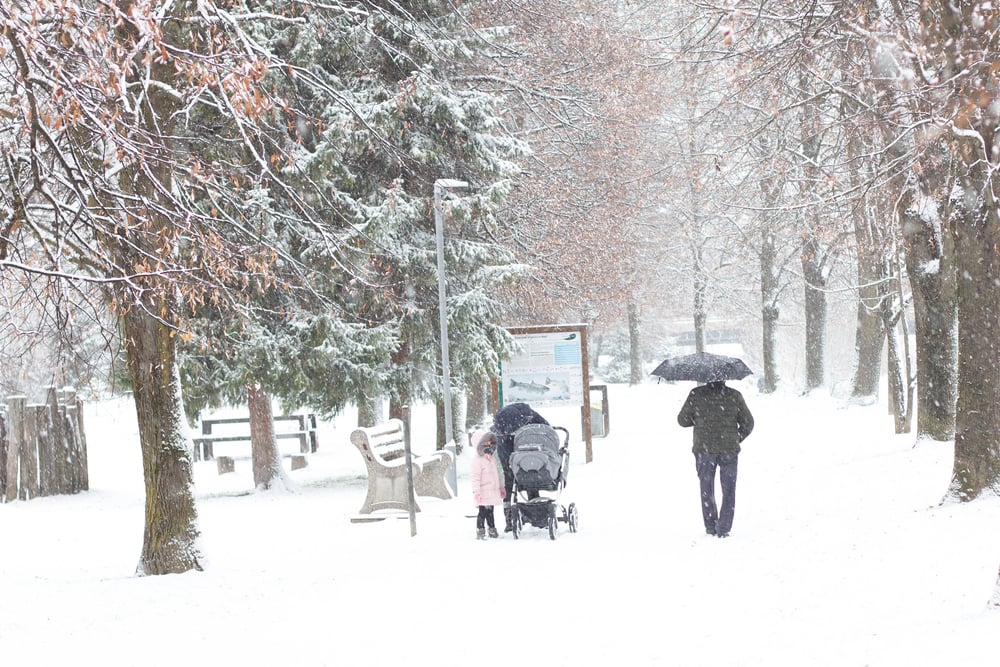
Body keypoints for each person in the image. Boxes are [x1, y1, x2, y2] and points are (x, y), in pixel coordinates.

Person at [677, 380, 754, 538]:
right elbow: (748, 422)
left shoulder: (696, 394)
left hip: (704, 450)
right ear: (725, 378)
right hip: (729, 450)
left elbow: (682, 420)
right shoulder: (734, 395)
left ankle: (711, 526)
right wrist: (736, 438)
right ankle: (724, 527)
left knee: (706, 488)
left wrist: (698, 419)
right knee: (729, 489)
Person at [490, 402, 548, 531]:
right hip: (509, 449)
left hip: (528, 449)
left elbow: (547, 430)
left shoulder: (530, 417)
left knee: (525, 477)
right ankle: (510, 517)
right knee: (513, 479)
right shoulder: (504, 423)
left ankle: (533, 513)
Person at [469, 429, 505, 539]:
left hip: (492, 491)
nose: (488, 445)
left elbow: (496, 475)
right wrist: (476, 492)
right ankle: (480, 530)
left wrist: (500, 487)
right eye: (486, 443)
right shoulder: (477, 460)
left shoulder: (491, 458)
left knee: (491, 512)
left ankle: (492, 529)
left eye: (490, 443)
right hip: (483, 492)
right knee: (482, 512)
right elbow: (475, 478)